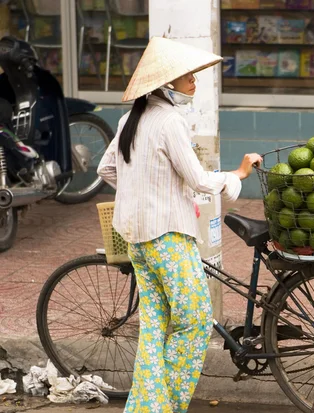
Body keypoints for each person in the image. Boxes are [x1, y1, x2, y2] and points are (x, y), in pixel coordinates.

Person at [97, 36, 262, 413]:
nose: (194, 82)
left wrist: (143, 189)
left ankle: (147, 409)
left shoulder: (129, 119)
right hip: (168, 238)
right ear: (165, 84)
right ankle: (167, 405)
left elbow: (106, 169)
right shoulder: (170, 120)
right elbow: (200, 181)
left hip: (138, 240)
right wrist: (238, 173)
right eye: (187, 76)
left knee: (156, 329)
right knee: (196, 322)